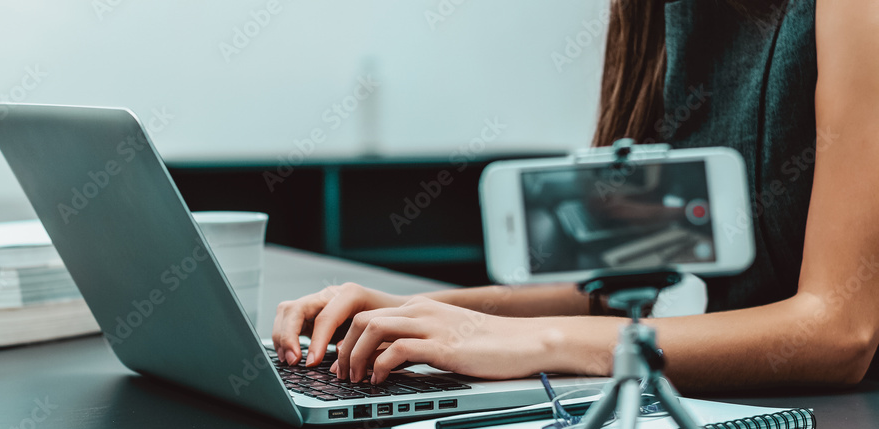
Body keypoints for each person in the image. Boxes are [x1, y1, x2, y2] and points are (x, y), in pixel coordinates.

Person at [272, 0, 879, 391]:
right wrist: (421, 312)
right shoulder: (658, 17)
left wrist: (534, 342)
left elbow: (837, 334)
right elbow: (633, 290)